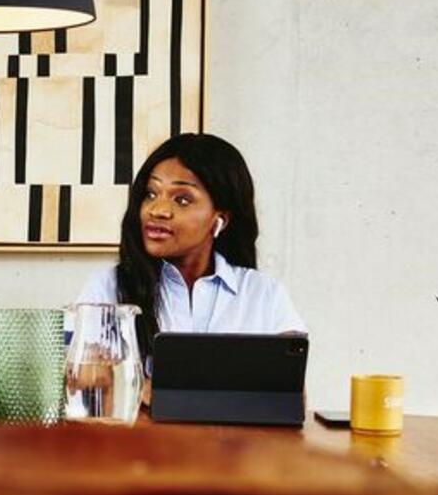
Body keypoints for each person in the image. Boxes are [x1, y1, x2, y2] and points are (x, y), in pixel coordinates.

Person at [77, 133, 306, 371]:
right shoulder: (106, 288)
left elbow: (289, 387)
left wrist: (147, 386)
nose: (157, 210)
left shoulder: (264, 295)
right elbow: (82, 379)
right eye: (151, 194)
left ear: (220, 219)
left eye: (182, 200)